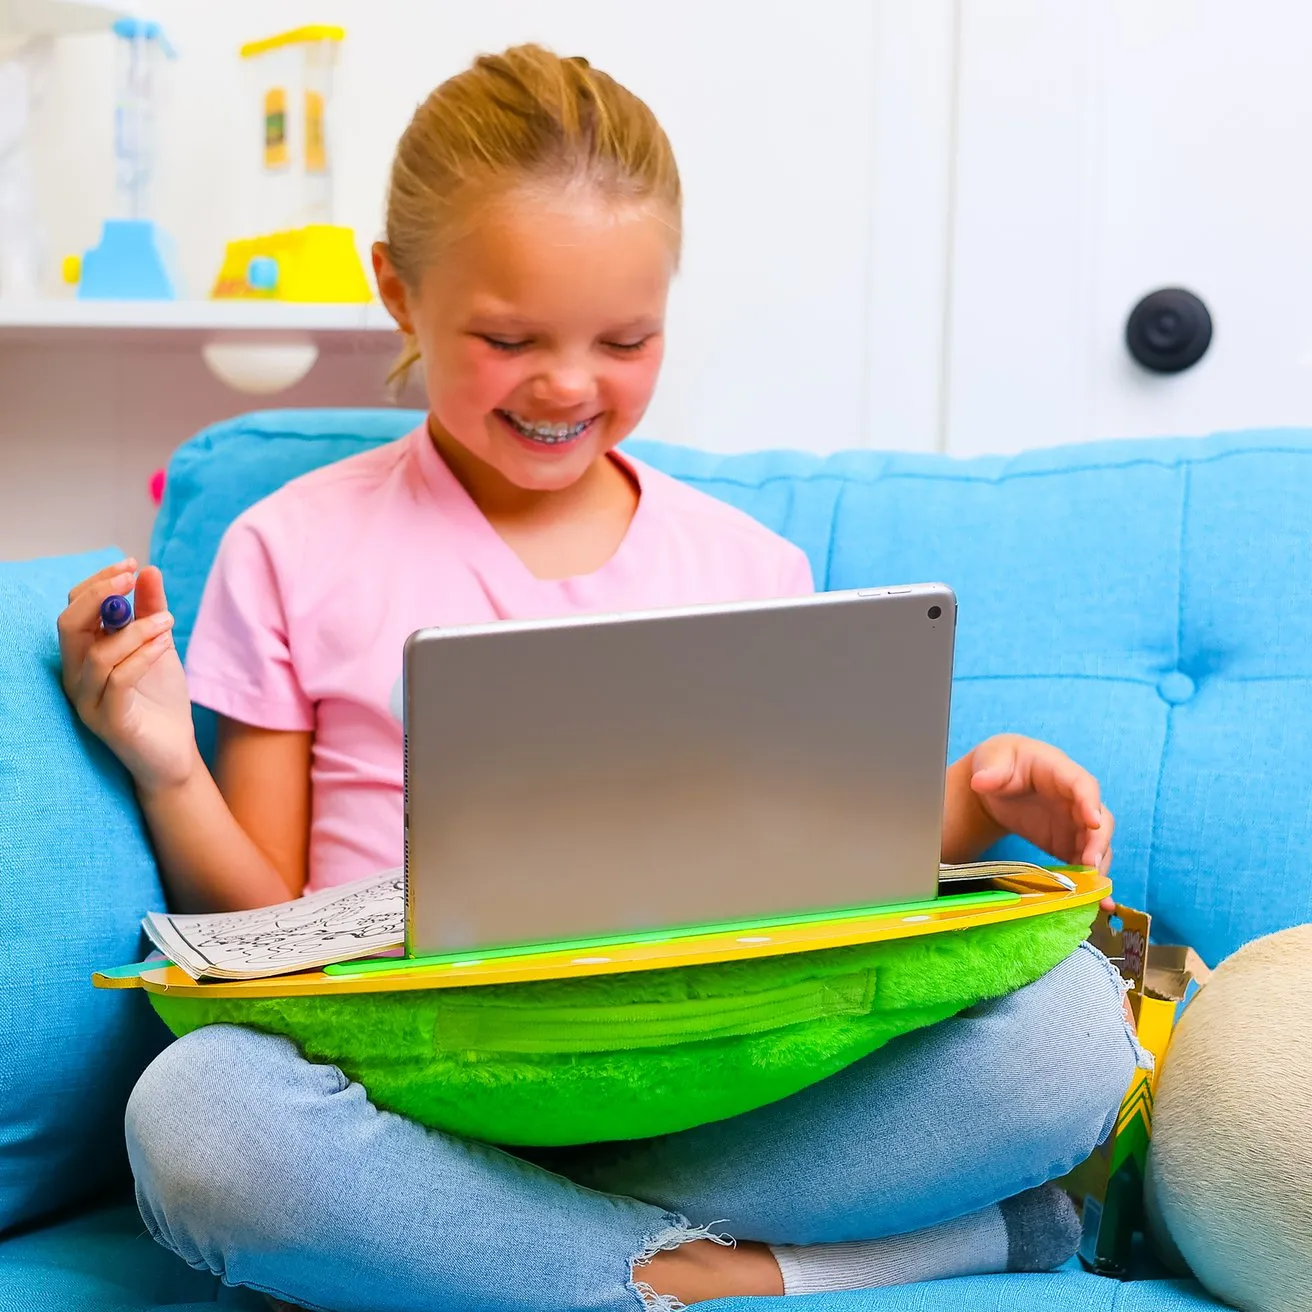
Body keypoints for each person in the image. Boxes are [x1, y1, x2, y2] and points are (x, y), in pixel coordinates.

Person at [57, 44, 1144, 1312]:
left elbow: (806, 866)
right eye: (509, 338)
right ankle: (762, 1273)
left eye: (625, 339)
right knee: (199, 1120)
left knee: (1072, 1023)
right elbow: (268, 923)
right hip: (424, 1106)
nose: (569, 385)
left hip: (719, 1085)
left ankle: (505, 1263)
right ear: (399, 295)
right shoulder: (290, 545)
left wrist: (968, 800)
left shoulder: (744, 563)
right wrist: (163, 756)